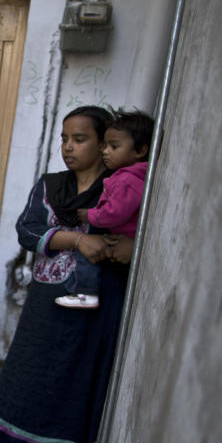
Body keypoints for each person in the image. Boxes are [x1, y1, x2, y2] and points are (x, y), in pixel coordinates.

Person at [0, 105, 136, 443]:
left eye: (80, 139)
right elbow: (27, 229)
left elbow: (129, 235)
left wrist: (122, 244)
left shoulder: (119, 187)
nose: (68, 147)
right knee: (27, 368)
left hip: (91, 307)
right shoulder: (51, 184)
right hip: (45, 300)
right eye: (64, 138)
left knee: (72, 379)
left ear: (104, 142)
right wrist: (77, 239)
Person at [56, 108, 153, 309]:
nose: (105, 151)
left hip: (122, 247)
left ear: (140, 150)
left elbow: (114, 213)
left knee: (88, 251)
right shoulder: (128, 176)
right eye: (64, 139)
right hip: (122, 243)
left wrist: (90, 215)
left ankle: (85, 292)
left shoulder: (127, 179)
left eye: (113, 146)